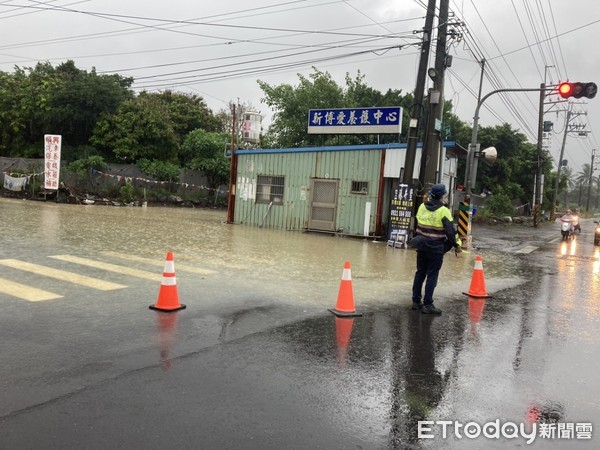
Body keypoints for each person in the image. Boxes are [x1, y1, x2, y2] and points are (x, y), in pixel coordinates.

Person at [409, 184, 462, 315]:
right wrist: (457, 245)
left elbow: (419, 223)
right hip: (435, 248)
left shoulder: (422, 206)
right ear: (443, 196)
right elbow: (451, 232)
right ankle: (428, 304)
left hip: (421, 245)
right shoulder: (444, 211)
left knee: (420, 272)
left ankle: (416, 302)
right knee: (432, 275)